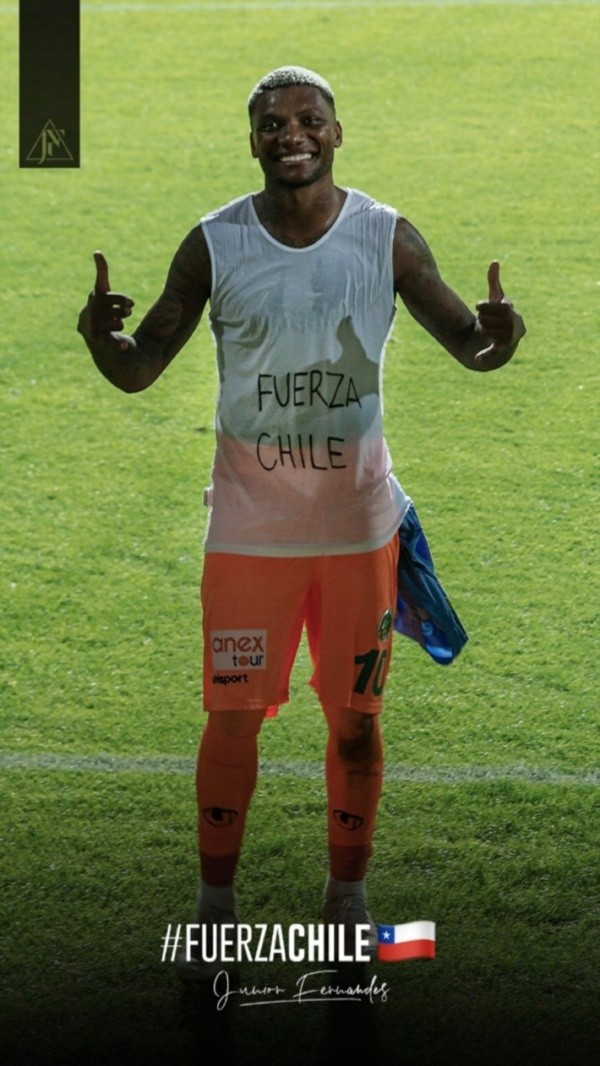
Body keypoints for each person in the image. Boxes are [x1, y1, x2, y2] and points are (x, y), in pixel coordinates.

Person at [77, 66, 525, 980]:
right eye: (273, 123)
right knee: (231, 721)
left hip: (358, 532)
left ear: (336, 133)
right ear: (252, 140)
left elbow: (470, 347)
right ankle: (215, 909)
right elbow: (140, 366)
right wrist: (99, 339)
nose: (292, 134)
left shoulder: (386, 237)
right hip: (250, 538)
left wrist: (499, 338)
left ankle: (346, 899)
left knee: (355, 724)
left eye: (309, 119)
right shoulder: (214, 244)